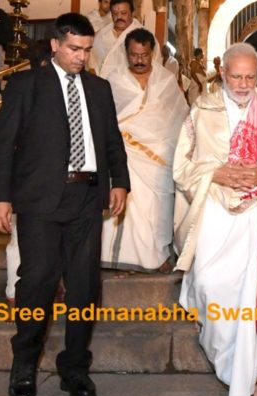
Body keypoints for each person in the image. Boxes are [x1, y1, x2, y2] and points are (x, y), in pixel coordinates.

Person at [0, 13, 130, 396]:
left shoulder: (99, 89)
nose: (81, 57)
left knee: (85, 289)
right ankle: (24, 367)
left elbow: (112, 142)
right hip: (39, 202)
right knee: (36, 286)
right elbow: (4, 145)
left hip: (87, 200)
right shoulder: (25, 84)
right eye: (73, 49)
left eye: (86, 50)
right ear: (54, 45)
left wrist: (121, 182)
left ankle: (75, 370)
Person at [173, 42, 257, 396]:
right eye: (235, 76)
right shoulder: (202, 109)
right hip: (214, 207)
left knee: (254, 298)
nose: (243, 84)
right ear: (222, 74)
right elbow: (181, 166)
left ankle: (247, 378)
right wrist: (215, 173)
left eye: (249, 76)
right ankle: (229, 365)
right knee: (211, 285)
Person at [101, 28, 189, 275]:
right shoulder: (113, 79)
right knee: (128, 207)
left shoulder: (166, 81)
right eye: (134, 55)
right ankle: (123, 259)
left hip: (159, 157)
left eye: (144, 55)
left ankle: (157, 255)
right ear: (126, 54)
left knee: (157, 208)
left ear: (153, 53)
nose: (139, 60)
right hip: (124, 153)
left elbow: (180, 117)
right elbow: (106, 118)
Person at [91, 0, 158, 78]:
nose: (119, 17)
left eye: (123, 13)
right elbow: (92, 61)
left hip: (130, 87)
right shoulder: (102, 34)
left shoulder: (145, 37)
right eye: (115, 13)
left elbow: (154, 69)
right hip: (102, 85)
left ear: (132, 13)